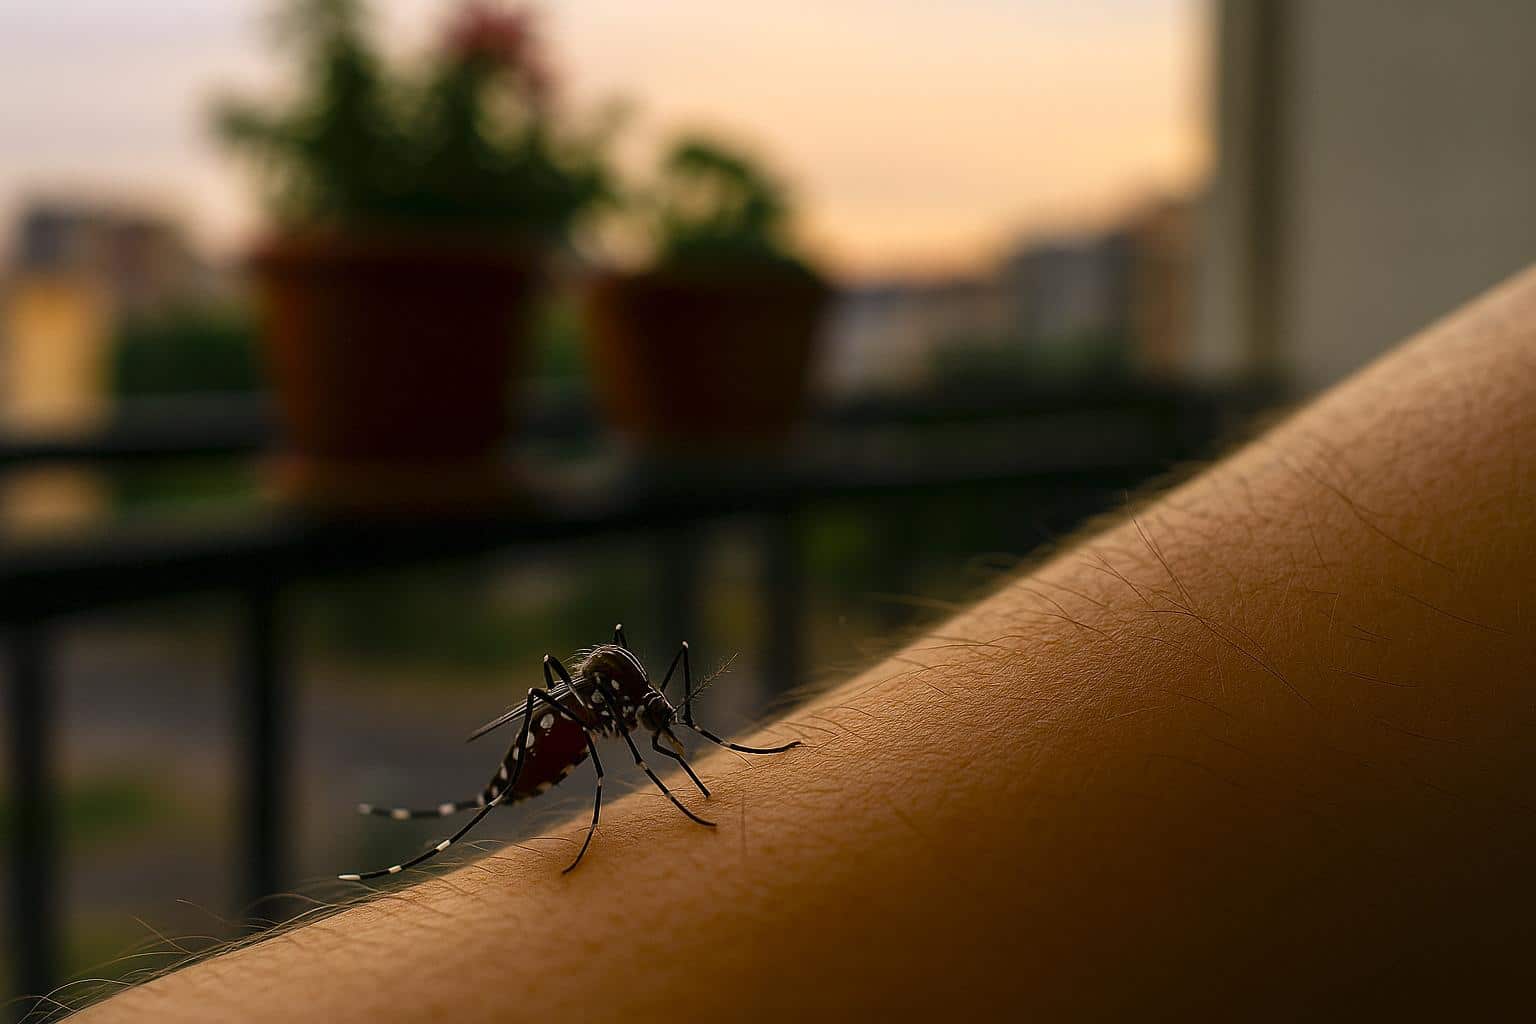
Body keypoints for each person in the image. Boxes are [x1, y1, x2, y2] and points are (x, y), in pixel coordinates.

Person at [80, 265, 1536, 1020]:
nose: (633, 721)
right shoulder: (597, 713)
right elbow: (607, 708)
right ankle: (512, 791)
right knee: (591, 733)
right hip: (555, 752)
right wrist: (596, 770)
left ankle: (528, 795)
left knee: (626, 723)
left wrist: (701, 771)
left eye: (632, 719)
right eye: (634, 719)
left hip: (574, 742)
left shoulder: (621, 693)